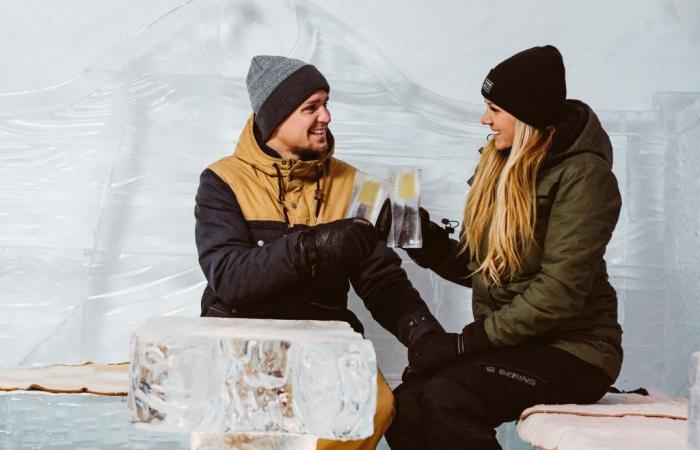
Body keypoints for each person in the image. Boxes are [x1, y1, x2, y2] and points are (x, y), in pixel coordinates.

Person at [194, 55, 443, 450]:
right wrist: (314, 246)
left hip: (324, 343)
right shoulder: (223, 181)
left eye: (326, 103)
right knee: (238, 434)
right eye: (310, 107)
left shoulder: (355, 184)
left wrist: (425, 334)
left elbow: (382, 281)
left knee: (373, 408)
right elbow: (229, 277)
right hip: (242, 339)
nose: (326, 116)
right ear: (274, 118)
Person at [384, 45, 623, 450]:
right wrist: (420, 238)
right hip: (517, 344)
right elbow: (488, 267)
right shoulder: (502, 163)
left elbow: (558, 292)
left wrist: (466, 343)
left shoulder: (585, 177)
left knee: (449, 396)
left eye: (494, 108)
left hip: (576, 351)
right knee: (407, 401)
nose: (485, 119)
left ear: (527, 114)